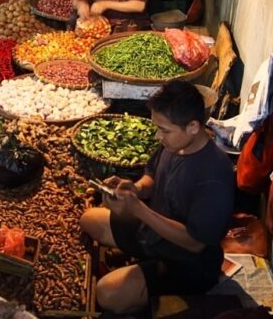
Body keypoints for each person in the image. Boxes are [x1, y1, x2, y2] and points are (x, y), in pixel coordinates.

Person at [80, 81, 235, 314]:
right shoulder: (175, 144)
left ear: (193, 126)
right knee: (89, 219)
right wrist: (136, 189)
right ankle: (141, 261)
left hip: (186, 264)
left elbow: (194, 243)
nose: (158, 135)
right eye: (157, 127)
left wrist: (139, 210)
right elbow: (151, 174)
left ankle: (149, 288)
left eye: (165, 130)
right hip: (154, 234)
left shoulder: (214, 176)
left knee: (107, 293)